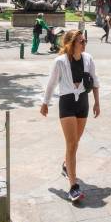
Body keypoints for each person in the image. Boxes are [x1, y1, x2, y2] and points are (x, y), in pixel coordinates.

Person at [41, 29, 100, 203]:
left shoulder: (88, 59)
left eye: (85, 40)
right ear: (72, 43)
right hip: (67, 103)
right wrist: (45, 103)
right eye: (81, 41)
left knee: (76, 141)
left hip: (83, 102)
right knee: (72, 143)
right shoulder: (59, 61)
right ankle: (73, 186)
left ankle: (66, 165)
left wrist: (97, 102)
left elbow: (95, 81)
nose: (84, 43)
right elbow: (51, 84)